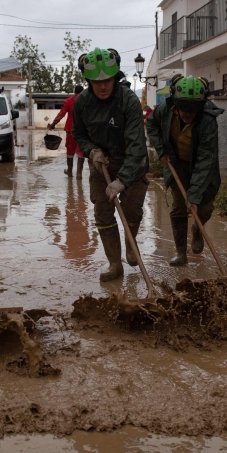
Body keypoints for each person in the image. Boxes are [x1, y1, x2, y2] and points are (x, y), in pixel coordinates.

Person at [72, 48, 149, 282]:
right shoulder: (82, 102)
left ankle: (131, 243)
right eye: (97, 82)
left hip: (131, 164)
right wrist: (91, 151)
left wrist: (123, 180)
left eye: (107, 80)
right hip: (101, 164)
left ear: (115, 78)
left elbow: (137, 146)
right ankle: (115, 263)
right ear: (88, 81)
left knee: (132, 210)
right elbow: (79, 132)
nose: (102, 86)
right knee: (103, 212)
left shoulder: (129, 101)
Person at [146, 76, 223, 266]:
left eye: (193, 108)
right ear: (175, 102)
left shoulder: (208, 121)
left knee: (203, 208)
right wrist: (161, 149)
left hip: (202, 166)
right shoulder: (165, 110)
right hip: (177, 163)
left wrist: (195, 196)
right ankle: (181, 253)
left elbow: (206, 159)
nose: (188, 113)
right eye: (184, 107)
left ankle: (198, 228)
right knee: (179, 208)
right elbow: (151, 124)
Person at [47, 84, 85, 178]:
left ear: (74, 91)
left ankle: (70, 171)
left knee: (70, 150)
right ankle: (79, 174)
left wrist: (53, 124)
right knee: (81, 151)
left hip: (71, 130)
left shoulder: (69, 101)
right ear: (82, 92)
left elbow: (61, 114)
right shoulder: (86, 101)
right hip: (83, 130)